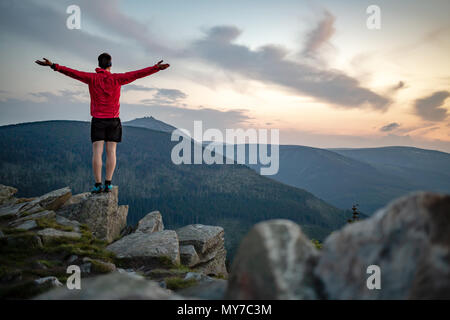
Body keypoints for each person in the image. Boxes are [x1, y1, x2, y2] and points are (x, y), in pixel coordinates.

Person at [35, 53, 170, 193]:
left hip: (98, 120)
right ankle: (108, 183)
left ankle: (98, 184)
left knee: (97, 153)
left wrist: (53, 65)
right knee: (111, 152)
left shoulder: (91, 78)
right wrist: (156, 68)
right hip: (113, 120)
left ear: (99, 64)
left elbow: (72, 73)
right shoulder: (117, 79)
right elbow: (136, 74)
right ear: (110, 65)